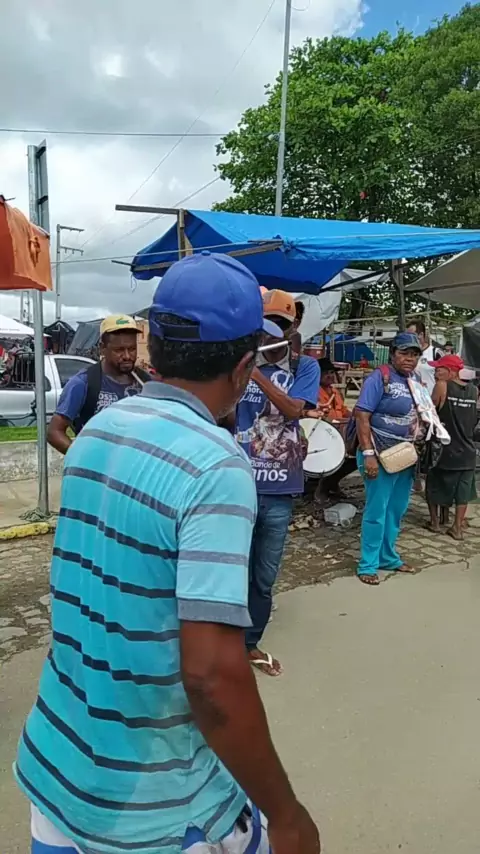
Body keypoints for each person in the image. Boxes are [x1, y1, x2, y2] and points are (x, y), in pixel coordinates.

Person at [15, 253, 320, 854]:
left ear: (153, 345)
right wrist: (287, 814)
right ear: (244, 366)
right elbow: (211, 675)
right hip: (154, 804)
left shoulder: (96, 433)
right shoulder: (215, 464)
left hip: (57, 769)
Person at [235, 289, 320, 676]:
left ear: (292, 327)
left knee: (264, 576)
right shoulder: (238, 361)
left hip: (280, 489)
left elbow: (293, 410)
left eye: (280, 326)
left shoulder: (304, 367)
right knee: (230, 568)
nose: (272, 332)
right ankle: (223, 641)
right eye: (265, 325)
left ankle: (250, 643)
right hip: (238, 485)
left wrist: (254, 374)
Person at [355, 333, 423, 585]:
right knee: (377, 510)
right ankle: (368, 564)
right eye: (404, 353)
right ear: (393, 353)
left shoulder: (415, 380)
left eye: (414, 355)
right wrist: (368, 454)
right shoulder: (379, 377)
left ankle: (388, 557)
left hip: (404, 454)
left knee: (396, 509)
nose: (410, 359)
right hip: (379, 453)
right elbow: (362, 415)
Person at [47, 314, 146, 454]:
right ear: (102, 348)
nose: (127, 356)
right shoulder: (83, 383)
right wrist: (82, 459)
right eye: (119, 350)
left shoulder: (145, 383)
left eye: (132, 349)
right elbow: (54, 432)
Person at [426, 354, 478, 540]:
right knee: (462, 490)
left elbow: (429, 413)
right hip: (467, 449)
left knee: (434, 484)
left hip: (443, 448)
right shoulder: (474, 390)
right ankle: (457, 527)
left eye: (439, 369)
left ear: (450, 371)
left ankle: (435, 523)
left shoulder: (442, 386)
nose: (435, 372)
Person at [310, 357, 357, 501]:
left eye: (331, 372)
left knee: (356, 457)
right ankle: (322, 487)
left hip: (339, 432)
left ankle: (332, 483)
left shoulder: (335, 391)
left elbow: (344, 410)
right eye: (325, 373)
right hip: (322, 434)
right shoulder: (313, 391)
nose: (330, 376)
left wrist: (356, 417)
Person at [406, 319, 442, 394]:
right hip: (411, 397)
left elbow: (443, 379)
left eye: (412, 335)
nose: (409, 338)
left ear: (421, 334)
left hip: (430, 398)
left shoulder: (435, 353)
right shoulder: (405, 354)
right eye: (407, 336)